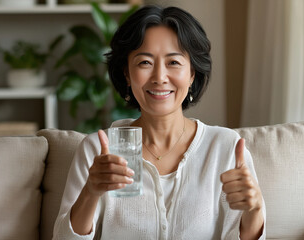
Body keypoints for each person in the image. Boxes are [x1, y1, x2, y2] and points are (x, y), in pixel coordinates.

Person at [53, 5, 265, 240]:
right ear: (126, 73)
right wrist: (90, 192)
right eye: (145, 62)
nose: (159, 78)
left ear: (192, 73)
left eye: (173, 62)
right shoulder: (97, 150)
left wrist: (254, 210)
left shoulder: (225, 147)